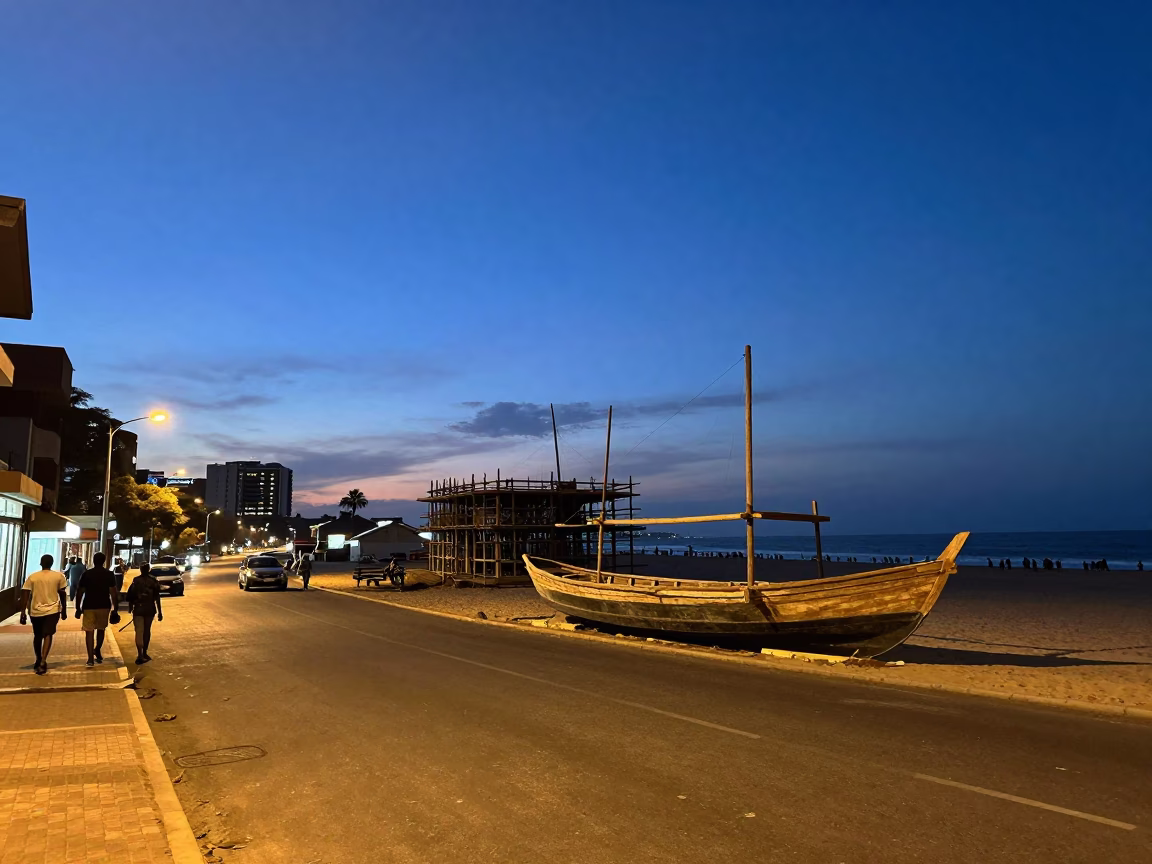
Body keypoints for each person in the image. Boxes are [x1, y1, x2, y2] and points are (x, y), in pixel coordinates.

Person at [19, 554, 69, 675]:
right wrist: (64, 610)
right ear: (52, 563)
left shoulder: (32, 577)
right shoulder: (59, 576)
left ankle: (38, 658)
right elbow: (62, 593)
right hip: (53, 610)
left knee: (37, 635)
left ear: (41, 563)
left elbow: (25, 594)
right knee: (48, 634)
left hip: (35, 611)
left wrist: (23, 612)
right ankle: (43, 660)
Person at [75, 552, 118, 667]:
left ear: (93, 561)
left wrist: (77, 608)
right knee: (101, 629)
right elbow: (113, 593)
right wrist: (115, 609)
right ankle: (97, 649)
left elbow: (80, 592)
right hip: (104, 605)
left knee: (89, 631)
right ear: (104, 561)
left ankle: (90, 659)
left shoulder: (86, 574)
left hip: (89, 606)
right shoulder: (109, 574)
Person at [125, 563, 163, 664]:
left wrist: (130, 608)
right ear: (149, 569)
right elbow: (157, 597)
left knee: (139, 631)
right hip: (150, 609)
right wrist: (160, 612)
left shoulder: (136, 581)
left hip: (138, 609)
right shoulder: (154, 581)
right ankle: (144, 652)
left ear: (140, 570)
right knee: (147, 631)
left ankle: (140, 654)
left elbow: (130, 596)